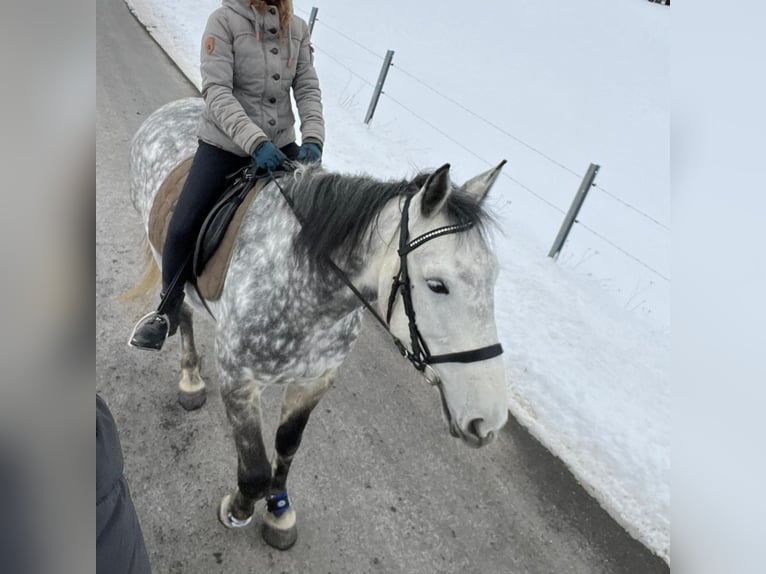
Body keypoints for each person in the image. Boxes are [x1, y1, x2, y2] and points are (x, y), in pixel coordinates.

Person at [129, 0, 324, 351]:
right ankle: (168, 308)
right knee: (184, 224)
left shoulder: (296, 28)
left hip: (281, 146)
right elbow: (217, 93)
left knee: (325, 220)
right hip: (226, 145)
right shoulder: (222, 22)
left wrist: (313, 138)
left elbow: (307, 88)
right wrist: (254, 141)